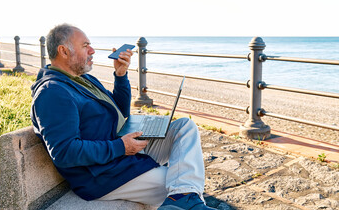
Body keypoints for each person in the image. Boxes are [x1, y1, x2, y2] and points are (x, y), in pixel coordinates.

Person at [31, 23, 215, 210]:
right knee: (185, 184)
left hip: (120, 155)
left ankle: (184, 200)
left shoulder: (84, 80)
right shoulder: (52, 92)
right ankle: (184, 200)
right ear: (63, 51)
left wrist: (121, 75)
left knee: (184, 127)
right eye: (85, 46)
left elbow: (120, 113)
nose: (92, 51)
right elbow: (65, 152)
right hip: (105, 175)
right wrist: (121, 147)